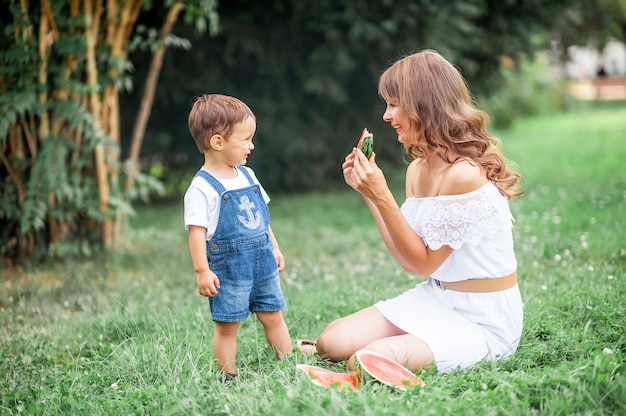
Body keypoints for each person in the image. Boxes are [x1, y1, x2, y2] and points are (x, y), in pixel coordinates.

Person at [299, 49, 525, 375]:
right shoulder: (417, 170)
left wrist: (382, 193)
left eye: (394, 104)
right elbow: (409, 260)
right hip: (436, 299)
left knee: (363, 361)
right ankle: (407, 345)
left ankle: (404, 351)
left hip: (482, 318)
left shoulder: (464, 174)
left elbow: (424, 263)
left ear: (425, 104)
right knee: (330, 342)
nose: (386, 116)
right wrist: (370, 194)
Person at [184, 94, 291, 383]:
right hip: (229, 269)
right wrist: (202, 270)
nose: (251, 145)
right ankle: (228, 376)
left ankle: (288, 363)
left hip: (262, 262)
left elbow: (262, 218)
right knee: (227, 326)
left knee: (273, 314)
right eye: (245, 139)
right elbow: (197, 233)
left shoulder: (248, 175)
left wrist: (275, 246)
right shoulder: (202, 188)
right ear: (218, 142)